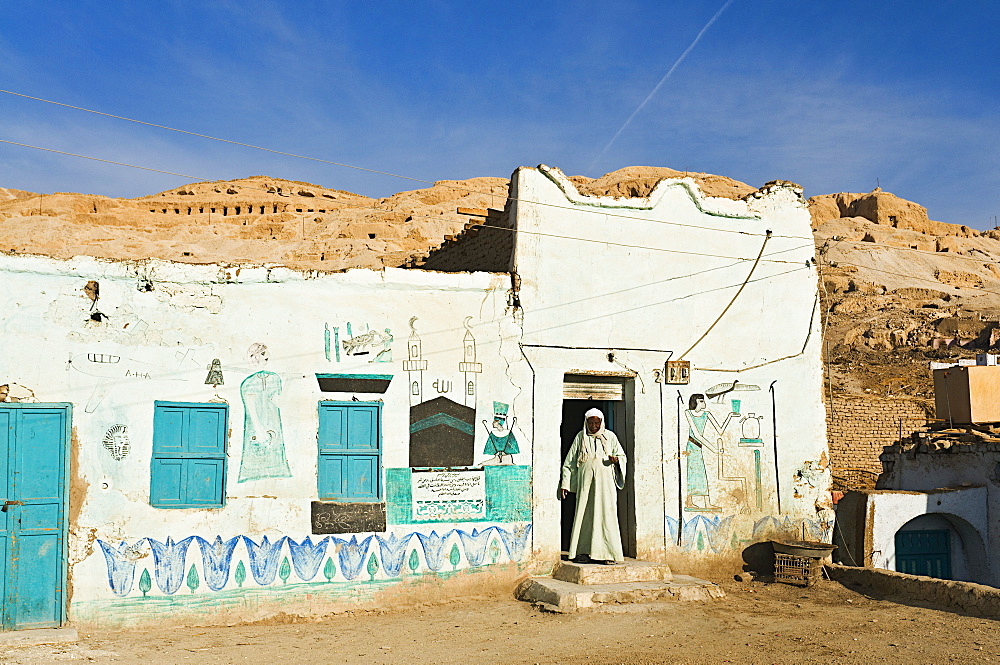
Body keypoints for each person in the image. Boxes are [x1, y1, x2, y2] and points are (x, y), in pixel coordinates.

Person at [559, 408, 626, 564]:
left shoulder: (610, 437)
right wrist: (565, 483)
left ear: (601, 422)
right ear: (586, 422)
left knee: (606, 516)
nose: (594, 426)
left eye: (597, 423)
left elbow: (622, 456)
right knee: (585, 515)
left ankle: (608, 554)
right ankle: (583, 552)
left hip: (605, 486)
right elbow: (569, 463)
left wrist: (617, 460)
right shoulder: (580, 437)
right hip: (586, 485)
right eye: (591, 423)